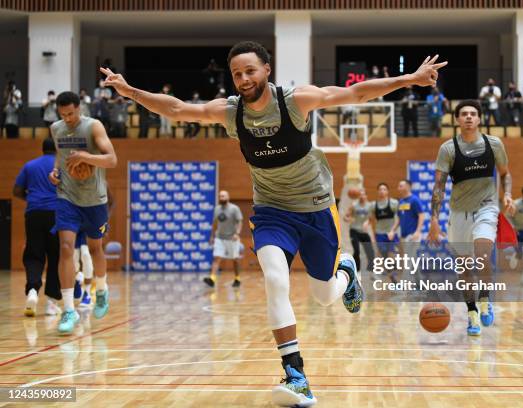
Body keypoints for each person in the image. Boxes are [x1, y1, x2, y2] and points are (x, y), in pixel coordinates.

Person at [100, 40, 445, 407]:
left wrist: (412, 78)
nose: (244, 79)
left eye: (250, 71)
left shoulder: (295, 101)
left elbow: (356, 92)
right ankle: (295, 374)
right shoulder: (231, 113)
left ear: (267, 69)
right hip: (270, 210)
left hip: (314, 208)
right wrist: (129, 91)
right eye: (236, 74)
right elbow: (178, 108)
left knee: (324, 295)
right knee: (276, 279)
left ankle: (346, 272)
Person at [428, 100, 514, 337]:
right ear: (457, 119)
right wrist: (434, 220)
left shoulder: (494, 144)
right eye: (464, 114)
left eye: (473, 114)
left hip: (486, 208)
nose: (468, 117)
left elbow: (506, 174)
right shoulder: (448, 148)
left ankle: (485, 299)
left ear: (479, 119)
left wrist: (506, 194)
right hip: (458, 213)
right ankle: (472, 311)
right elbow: (439, 187)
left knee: (482, 255)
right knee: (464, 268)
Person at [48, 91, 117, 335]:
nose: (67, 118)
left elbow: (111, 159)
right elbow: (60, 155)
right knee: (66, 248)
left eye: (71, 113)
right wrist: (56, 171)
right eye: (63, 114)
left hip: (95, 199)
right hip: (67, 196)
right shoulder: (56, 129)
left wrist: (85, 156)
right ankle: (68, 309)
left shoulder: (93, 127)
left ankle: (101, 290)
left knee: (95, 248)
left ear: (79, 109)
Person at [13, 138, 62, 317]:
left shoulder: (29, 166)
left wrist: (33, 200)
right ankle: (51, 302)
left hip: (33, 214)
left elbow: (17, 190)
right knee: (56, 256)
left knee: (34, 254)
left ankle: (33, 291)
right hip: (56, 214)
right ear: (56, 149)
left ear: (42, 149)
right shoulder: (60, 166)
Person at [203, 190, 243, 288]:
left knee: (235, 259)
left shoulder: (234, 209)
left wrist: (237, 233)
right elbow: (215, 223)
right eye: (220, 196)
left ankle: (237, 278)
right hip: (219, 238)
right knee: (217, 258)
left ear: (228, 197)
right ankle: (212, 278)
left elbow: (239, 222)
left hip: (232, 238)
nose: (222, 198)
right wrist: (212, 236)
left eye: (224, 196)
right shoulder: (217, 209)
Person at [393, 180, 424, 274]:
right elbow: (399, 218)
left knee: (408, 261)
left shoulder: (414, 200)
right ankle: (420, 284)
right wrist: (392, 230)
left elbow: (421, 215)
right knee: (412, 261)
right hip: (404, 235)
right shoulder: (401, 201)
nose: (398, 188)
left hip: (412, 235)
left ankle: (405, 285)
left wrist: (418, 231)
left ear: (407, 187)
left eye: (400, 186)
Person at [343, 188, 374, 273]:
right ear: (358, 196)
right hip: (354, 231)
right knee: (356, 251)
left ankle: (371, 270)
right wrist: (349, 219)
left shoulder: (370, 206)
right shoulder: (354, 205)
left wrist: (367, 223)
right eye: (360, 194)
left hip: (364, 232)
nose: (362, 196)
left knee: (370, 252)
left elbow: (371, 219)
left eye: (363, 194)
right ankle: (357, 270)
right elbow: (345, 217)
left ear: (366, 196)